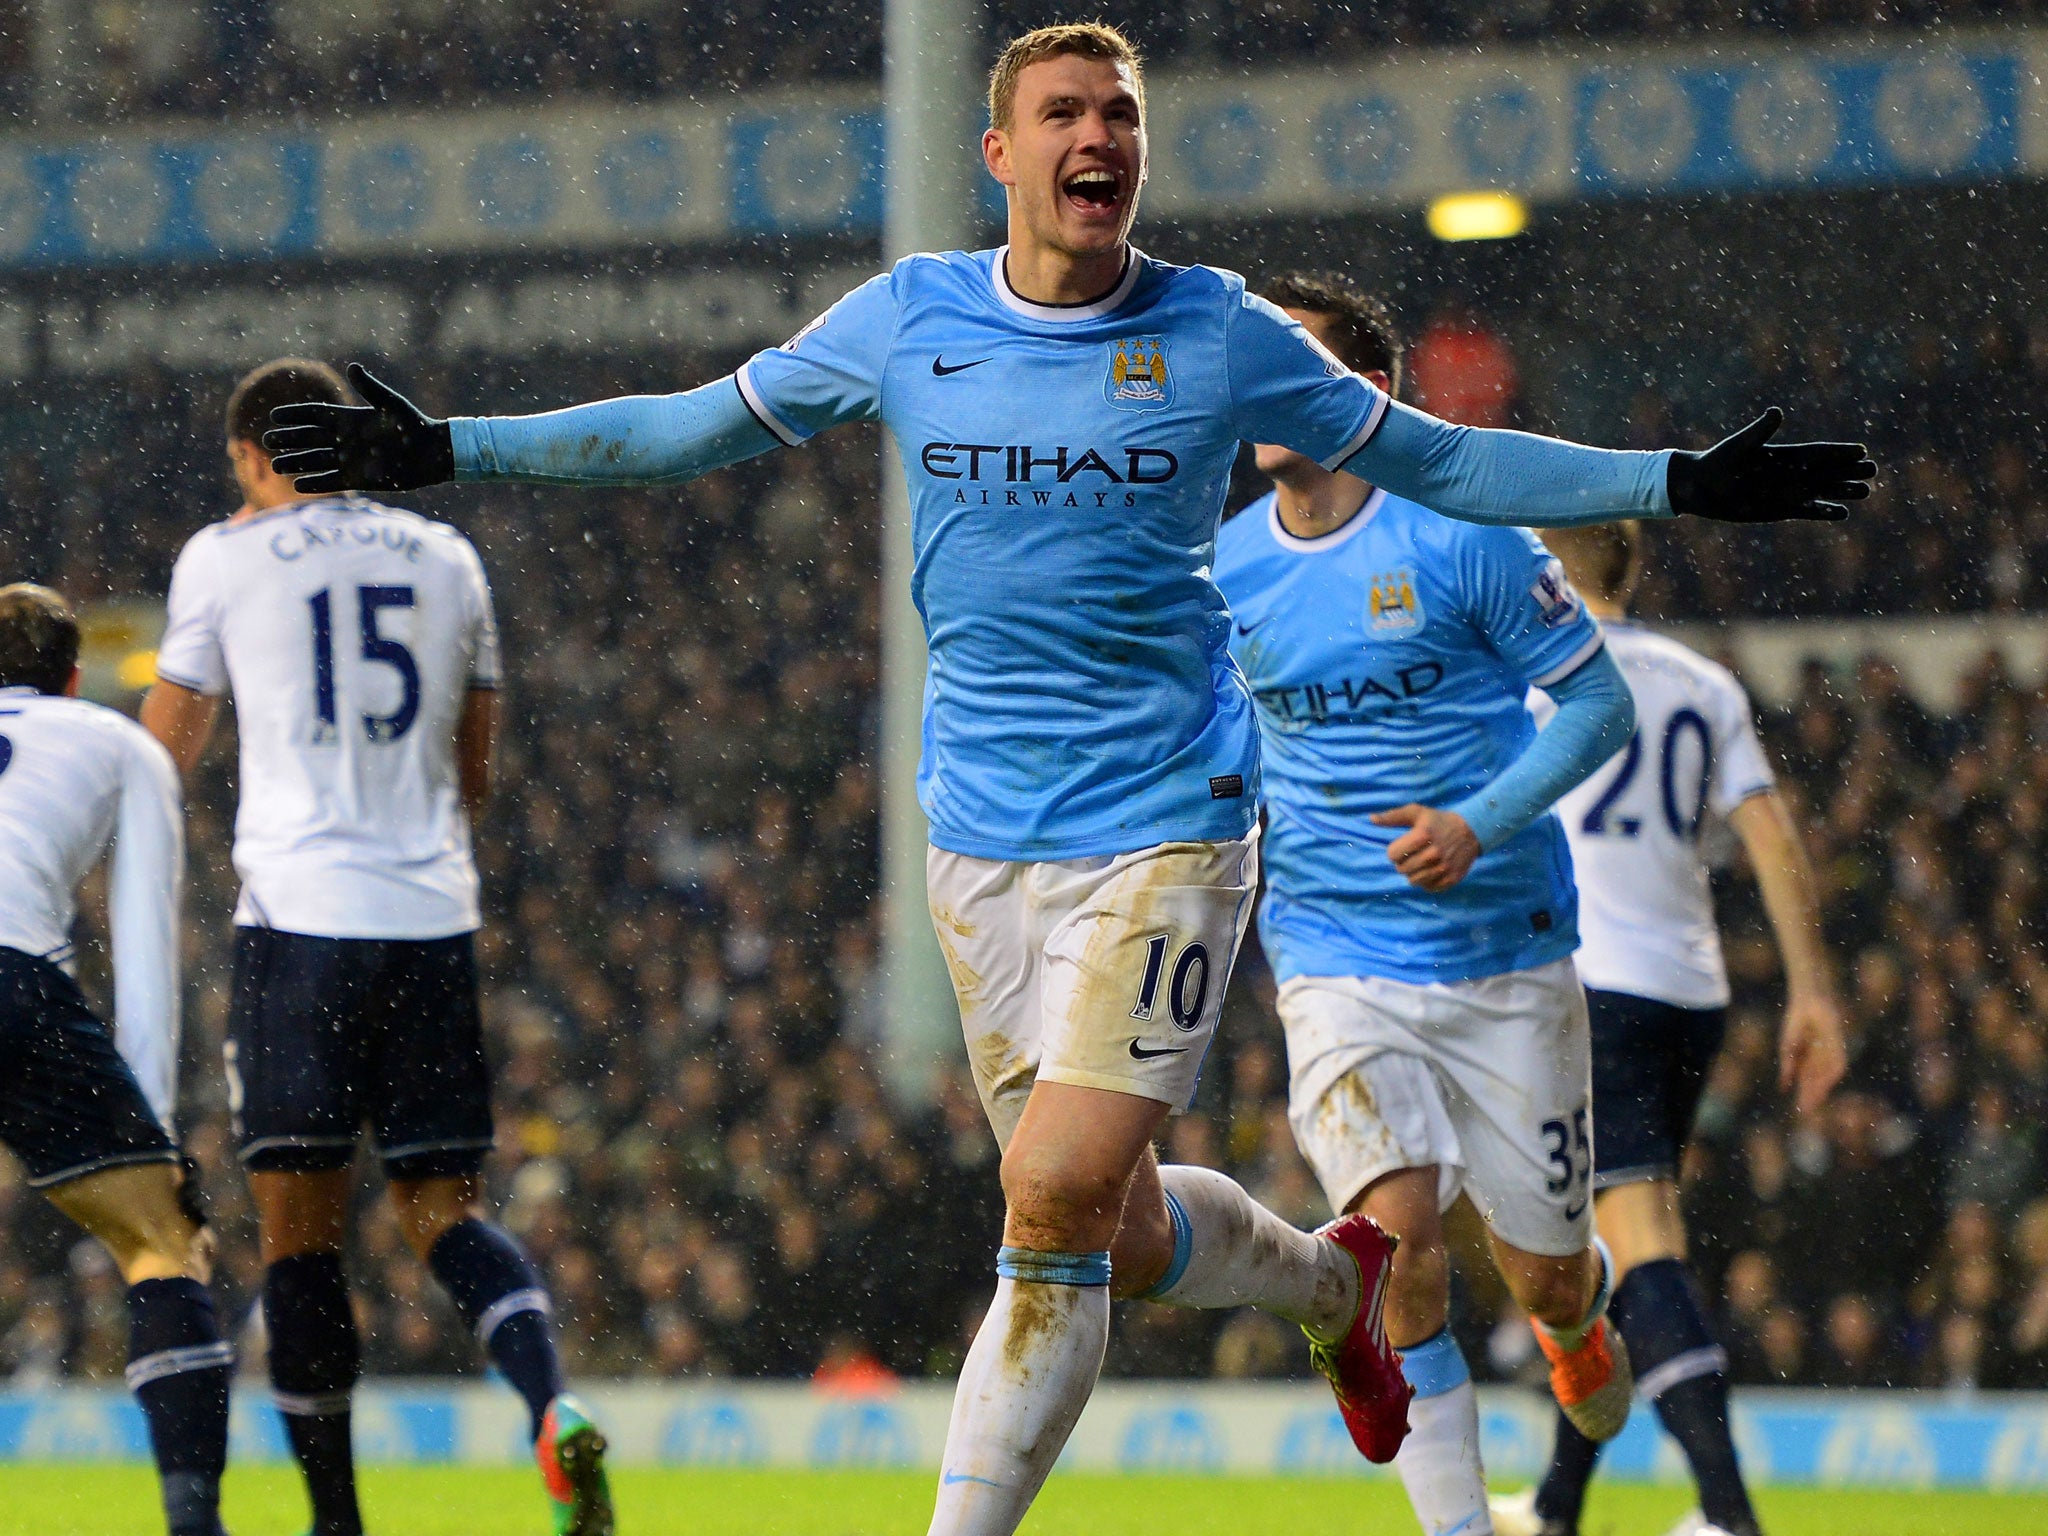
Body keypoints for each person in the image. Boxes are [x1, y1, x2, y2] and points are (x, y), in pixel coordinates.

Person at [257, 26, 1871, 1536]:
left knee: (1045, 1197)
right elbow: (691, 429)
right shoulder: (909, 319)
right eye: (1065, 116)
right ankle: (1326, 1289)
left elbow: (1438, 461)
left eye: (1122, 118)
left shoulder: (1220, 329)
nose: (1099, 137)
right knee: (1110, 1228)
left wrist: (1670, 480)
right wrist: (458, 447)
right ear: (999, 154)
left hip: (1168, 823)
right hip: (978, 836)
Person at [139, 359, 613, 1536]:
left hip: (299, 926)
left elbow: (158, 764)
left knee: (298, 1240)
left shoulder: (223, 556)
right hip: (429, 923)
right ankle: (550, 1408)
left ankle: (337, 1521)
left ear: (256, 455)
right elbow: (475, 775)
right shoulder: (446, 558)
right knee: (444, 1211)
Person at [1213, 274, 1640, 1536]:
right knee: (1395, 1250)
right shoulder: (1225, 570)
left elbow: (1600, 704)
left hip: (1503, 950)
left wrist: (1476, 824)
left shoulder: (1463, 535)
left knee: (1546, 1275)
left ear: (1370, 398)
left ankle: (1575, 1316)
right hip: (1333, 952)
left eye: (1295, 364)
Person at [1491, 520, 1848, 1536]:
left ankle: (1726, 1513)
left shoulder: (1533, 678)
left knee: (1635, 1245)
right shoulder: (1703, 683)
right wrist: (1812, 990)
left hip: (1588, 988)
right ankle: (1560, 1503)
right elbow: (1768, 834)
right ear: (1631, 565)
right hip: (1687, 996)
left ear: (1551, 570)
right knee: (1603, 1245)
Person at [0, 583, 231, 1536]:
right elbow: (145, 956)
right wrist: (161, 1139)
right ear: (70, 674)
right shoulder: (119, 745)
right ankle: (192, 1521)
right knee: (161, 1249)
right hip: (15, 975)